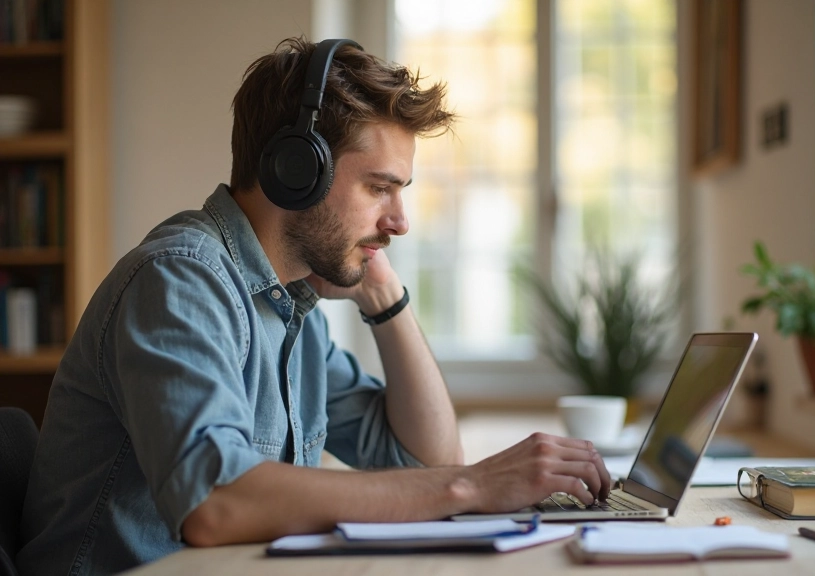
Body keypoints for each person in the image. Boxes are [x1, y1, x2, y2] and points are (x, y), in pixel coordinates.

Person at [16, 37, 611, 575]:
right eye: (379, 188)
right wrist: (472, 487)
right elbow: (215, 504)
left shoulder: (291, 311)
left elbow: (424, 459)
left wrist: (384, 297)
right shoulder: (180, 281)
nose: (400, 222)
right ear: (296, 170)